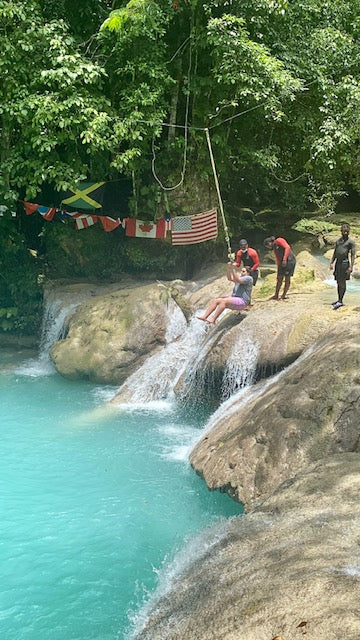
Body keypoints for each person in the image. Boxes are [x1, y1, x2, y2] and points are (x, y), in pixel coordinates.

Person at [329, 223, 356, 309]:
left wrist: (351, 266)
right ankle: (338, 299)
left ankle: (341, 301)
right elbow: (335, 253)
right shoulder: (338, 241)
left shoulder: (350, 242)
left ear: (349, 232)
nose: (345, 233)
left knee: (342, 282)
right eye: (344, 231)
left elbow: (352, 254)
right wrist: (331, 263)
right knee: (338, 281)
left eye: (347, 231)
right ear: (341, 231)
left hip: (345, 263)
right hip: (338, 263)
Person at [263, 236, 296, 300]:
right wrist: (279, 266)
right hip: (281, 263)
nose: (268, 247)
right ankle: (276, 295)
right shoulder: (275, 248)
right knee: (279, 278)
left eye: (267, 246)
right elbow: (277, 257)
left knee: (287, 278)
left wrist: (284, 259)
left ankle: (283, 295)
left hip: (289, 260)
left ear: (269, 243)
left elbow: (287, 247)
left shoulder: (279, 240)